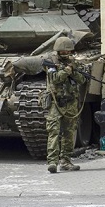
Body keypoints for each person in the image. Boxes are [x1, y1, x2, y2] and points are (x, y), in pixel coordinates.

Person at [43, 37, 87, 173]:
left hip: (71, 101)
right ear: (58, 51)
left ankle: (66, 161)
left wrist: (73, 70)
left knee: (69, 132)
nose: (66, 54)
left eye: (68, 52)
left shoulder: (73, 63)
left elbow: (82, 79)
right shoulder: (50, 63)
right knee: (54, 131)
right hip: (56, 102)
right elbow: (55, 79)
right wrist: (67, 70)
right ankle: (52, 162)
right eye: (63, 52)